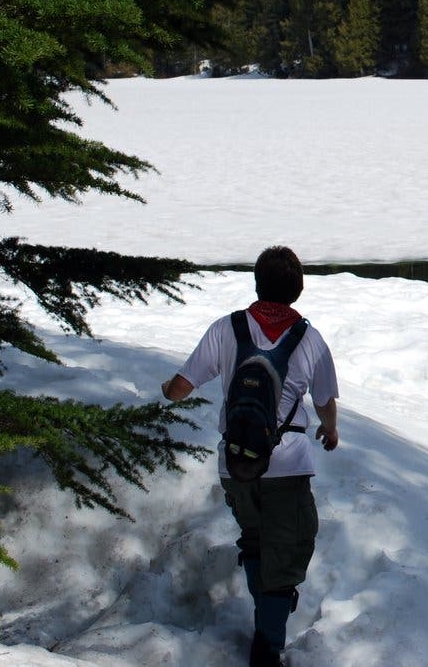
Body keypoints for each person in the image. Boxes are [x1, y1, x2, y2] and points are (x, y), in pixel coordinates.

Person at [163, 246, 339, 667]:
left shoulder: (227, 329)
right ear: (298, 289)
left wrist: (167, 390)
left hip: (237, 462)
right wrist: (330, 429)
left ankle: (266, 623)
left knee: (256, 540)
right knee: (288, 548)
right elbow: (324, 400)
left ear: (257, 285)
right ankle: (268, 646)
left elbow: (181, 387)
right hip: (288, 463)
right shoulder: (310, 340)